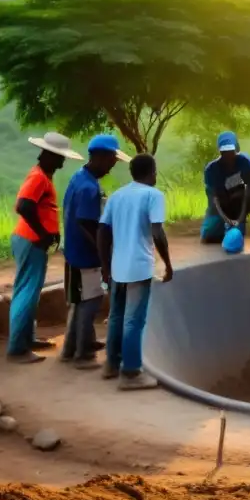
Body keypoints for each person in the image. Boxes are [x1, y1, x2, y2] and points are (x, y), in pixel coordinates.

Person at [97, 153, 173, 390]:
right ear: (152, 172)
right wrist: (168, 264)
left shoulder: (117, 196)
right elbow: (157, 232)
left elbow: (102, 231)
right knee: (134, 321)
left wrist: (106, 267)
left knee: (117, 317)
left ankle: (111, 364)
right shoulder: (153, 195)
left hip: (118, 266)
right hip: (139, 266)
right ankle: (130, 373)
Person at [7, 132, 83, 364]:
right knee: (27, 293)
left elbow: (38, 208)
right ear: (48, 155)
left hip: (30, 239)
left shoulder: (42, 176)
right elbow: (23, 206)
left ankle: (26, 338)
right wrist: (42, 234)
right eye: (59, 157)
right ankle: (18, 348)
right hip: (31, 240)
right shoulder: (39, 177)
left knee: (29, 291)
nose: (62, 162)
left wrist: (51, 231)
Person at [60, 134, 130, 370]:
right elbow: (87, 224)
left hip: (74, 251)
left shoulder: (79, 178)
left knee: (79, 301)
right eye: (111, 161)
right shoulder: (89, 187)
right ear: (101, 157)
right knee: (90, 302)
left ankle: (72, 348)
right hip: (86, 255)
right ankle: (83, 355)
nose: (112, 167)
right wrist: (104, 254)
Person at [200, 131, 250, 244]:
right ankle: (223, 227)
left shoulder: (244, 162)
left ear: (236, 150)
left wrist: (241, 216)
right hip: (220, 201)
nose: (228, 154)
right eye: (225, 151)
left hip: (239, 198)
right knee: (209, 237)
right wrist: (227, 220)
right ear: (220, 152)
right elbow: (214, 198)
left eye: (231, 151)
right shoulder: (211, 170)